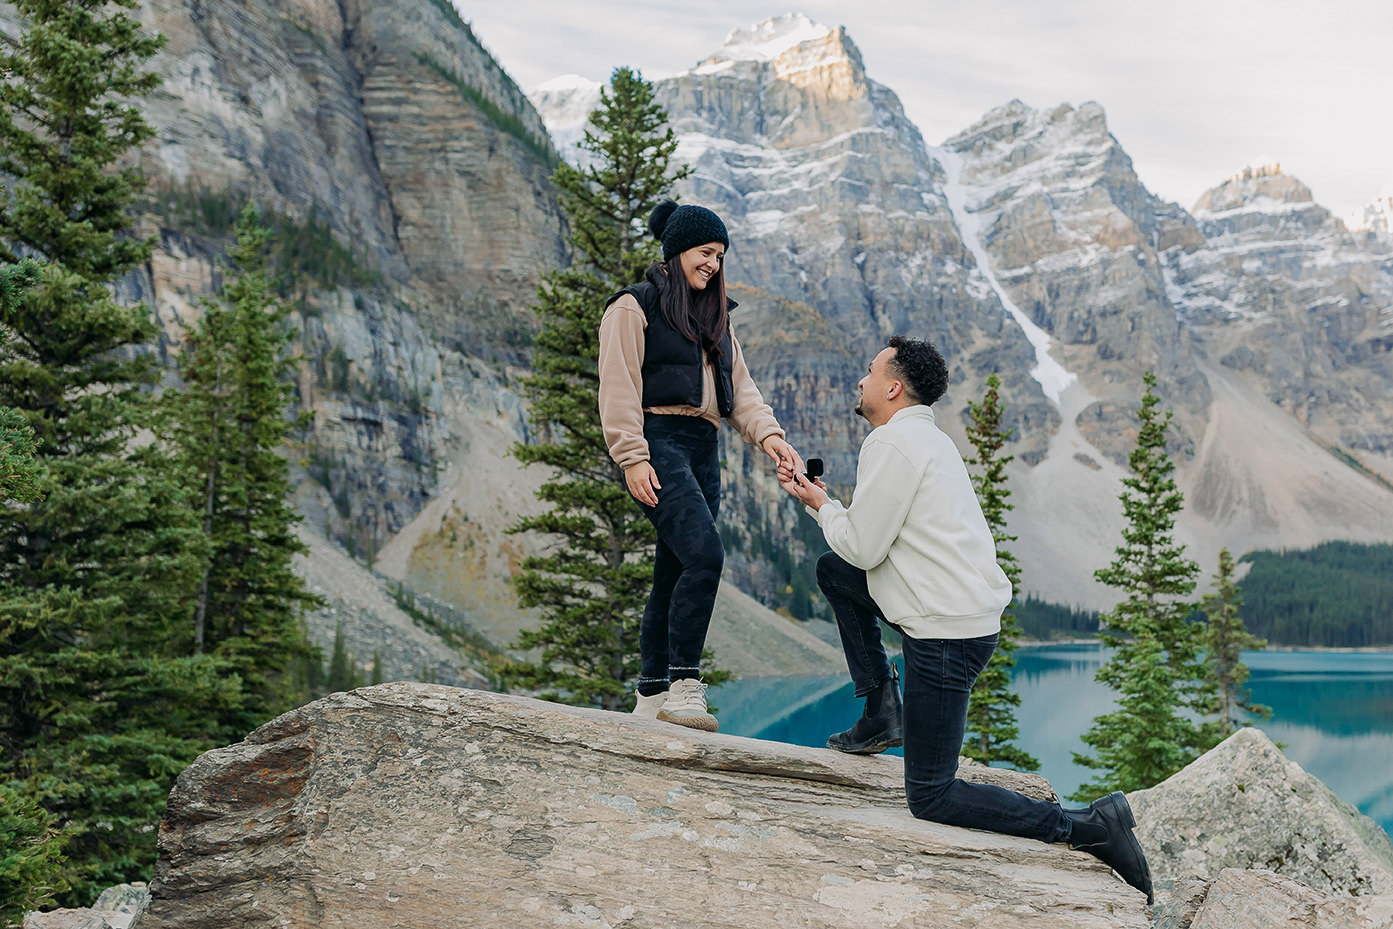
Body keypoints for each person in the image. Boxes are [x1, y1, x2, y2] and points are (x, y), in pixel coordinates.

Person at [778, 336, 1154, 905]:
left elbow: (865, 547)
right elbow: (865, 550)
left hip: (945, 632)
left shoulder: (893, 445)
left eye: (870, 371)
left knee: (931, 795)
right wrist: (830, 508)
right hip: (949, 612)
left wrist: (820, 506)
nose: (861, 380)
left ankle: (1089, 827)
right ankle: (882, 708)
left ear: (893, 387)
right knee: (833, 570)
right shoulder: (926, 439)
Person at [598, 199, 801, 732]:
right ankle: (685, 686)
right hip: (658, 439)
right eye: (705, 253)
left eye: (720, 256)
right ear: (678, 250)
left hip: (704, 447)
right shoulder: (633, 306)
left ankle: (649, 698)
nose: (713, 264)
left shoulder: (715, 319)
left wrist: (772, 439)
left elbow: (744, 393)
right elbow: (618, 387)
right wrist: (632, 457)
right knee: (705, 555)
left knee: (674, 570)